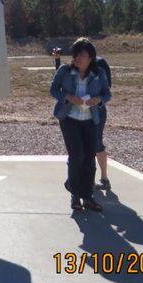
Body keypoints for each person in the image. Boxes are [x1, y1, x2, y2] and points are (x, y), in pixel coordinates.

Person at [50, 37, 111, 212]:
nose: (77, 58)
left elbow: (107, 95)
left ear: (90, 57)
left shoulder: (99, 73)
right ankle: (75, 196)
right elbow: (53, 90)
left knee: (89, 159)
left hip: (90, 120)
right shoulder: (65, 71)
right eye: (76, 54)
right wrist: (68, 97)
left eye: (82, 55)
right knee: (76, 156)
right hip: (69, 119)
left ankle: (87, 197)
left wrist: (98, 100)